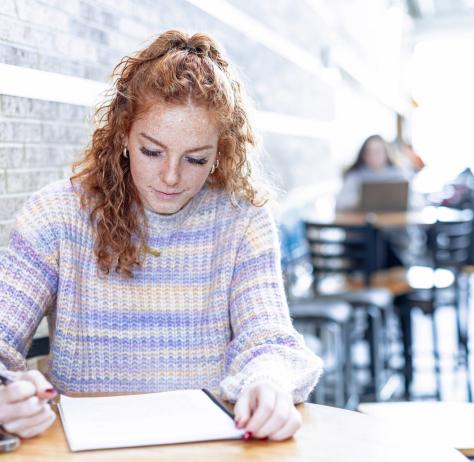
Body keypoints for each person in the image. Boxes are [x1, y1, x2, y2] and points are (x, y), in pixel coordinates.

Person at [0, 30, 323, 441]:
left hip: (204, 461)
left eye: (195, 159)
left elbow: (270, 340)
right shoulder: (57, 215)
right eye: (152, 151)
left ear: (220, 153)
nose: (171, 177)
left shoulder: (242, 222)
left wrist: (270, 382)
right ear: (122, 135)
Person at [335, 134, 409, 212]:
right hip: (361, 222)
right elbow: (340, 203)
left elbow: (416, 201)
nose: (373, 156)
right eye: (369, 152)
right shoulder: (354, 176)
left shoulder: (398, 176)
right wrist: (361, 199)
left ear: (386, 153)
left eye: (378, 152)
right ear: (363, 154)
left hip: (394, 222)